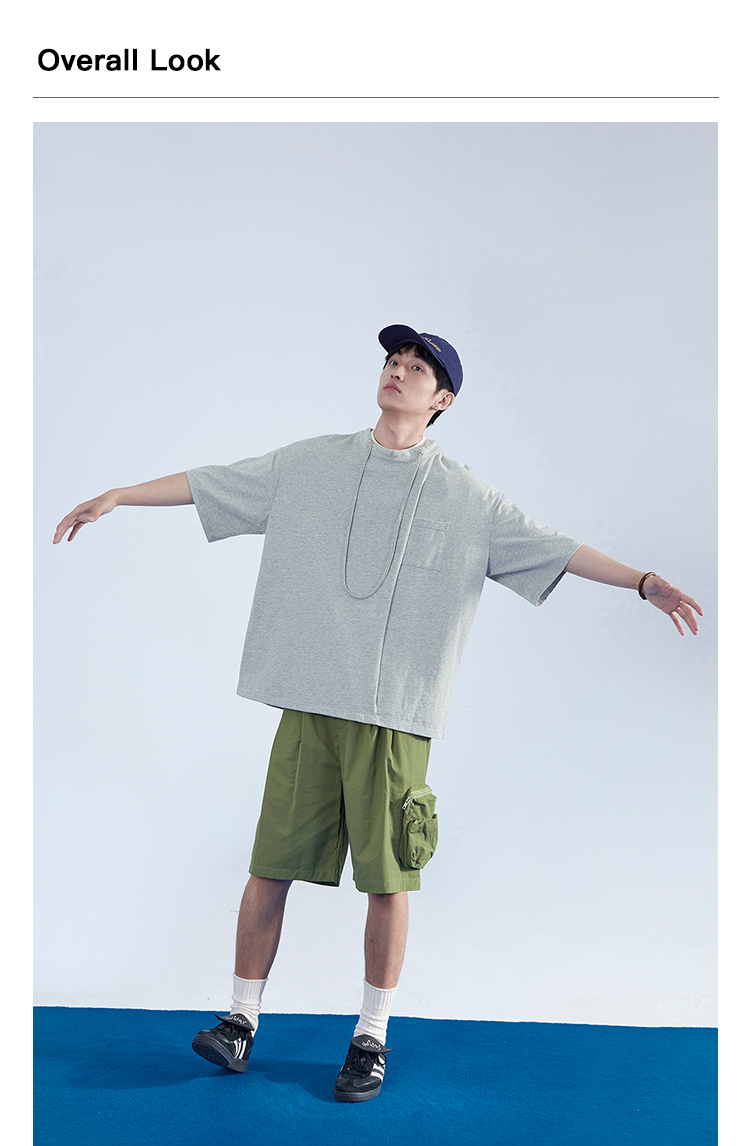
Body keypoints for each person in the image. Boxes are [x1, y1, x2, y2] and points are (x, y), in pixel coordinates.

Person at [53, 323, 703, 1103]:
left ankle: (370, 1036)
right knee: (269, 867)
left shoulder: (467, 497)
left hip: (396, 717)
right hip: (310, 704)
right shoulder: (312, 464)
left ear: (443, 399)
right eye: (394, 359)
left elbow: (555, 547)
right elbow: (213, 481)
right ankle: (239, 1020)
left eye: (418, 366)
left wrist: (643, 581)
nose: (399, 369)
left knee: (389, 880)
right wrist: (121, 494)